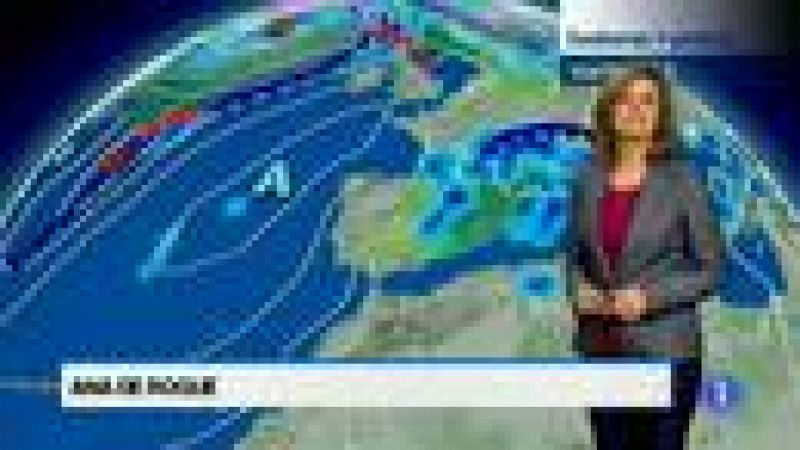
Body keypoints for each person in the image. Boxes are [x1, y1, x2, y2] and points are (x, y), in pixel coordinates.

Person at [565, 66, 725, 449]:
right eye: (625, 99)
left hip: (666, 354)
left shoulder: (684, 180)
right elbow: (573, 254)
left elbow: (711, 269)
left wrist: (648, 299)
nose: (636, 109)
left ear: (660, 114)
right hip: (602, 352)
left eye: (647, 101)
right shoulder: (587, 178)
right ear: (608, 110)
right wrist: (578, 291)